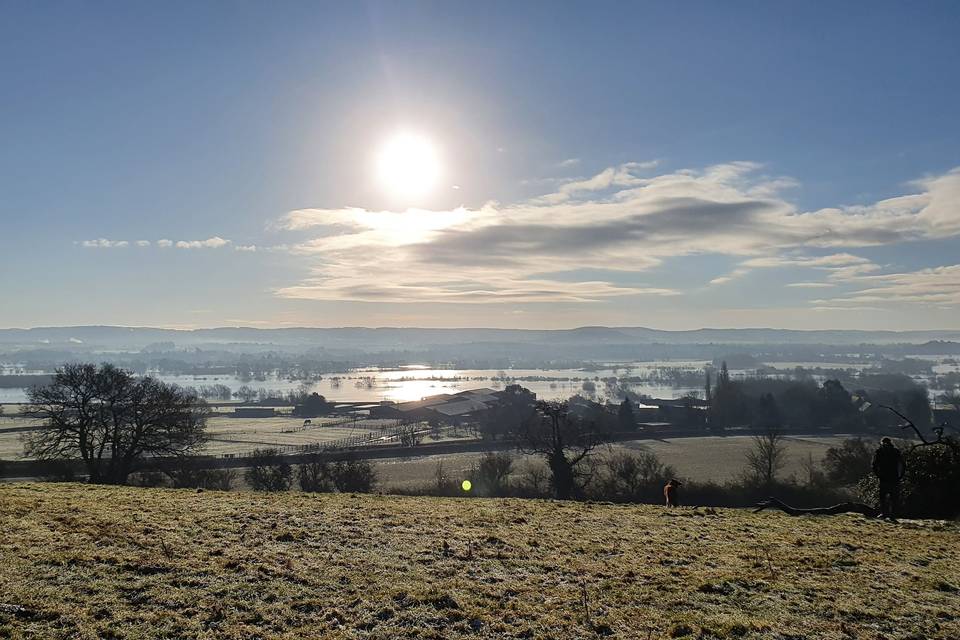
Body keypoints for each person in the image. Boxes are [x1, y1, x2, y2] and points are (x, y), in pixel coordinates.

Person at [871, 437, 905, 520]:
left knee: (883, 497)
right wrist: (900, 476)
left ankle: (884, 513)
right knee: (894, 498)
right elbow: (903, 464)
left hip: (884, 478)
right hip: (894, 478)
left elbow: (874, 465)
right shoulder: (896, 451)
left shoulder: (879, 452)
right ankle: (892, 515)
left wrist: (878, 475)